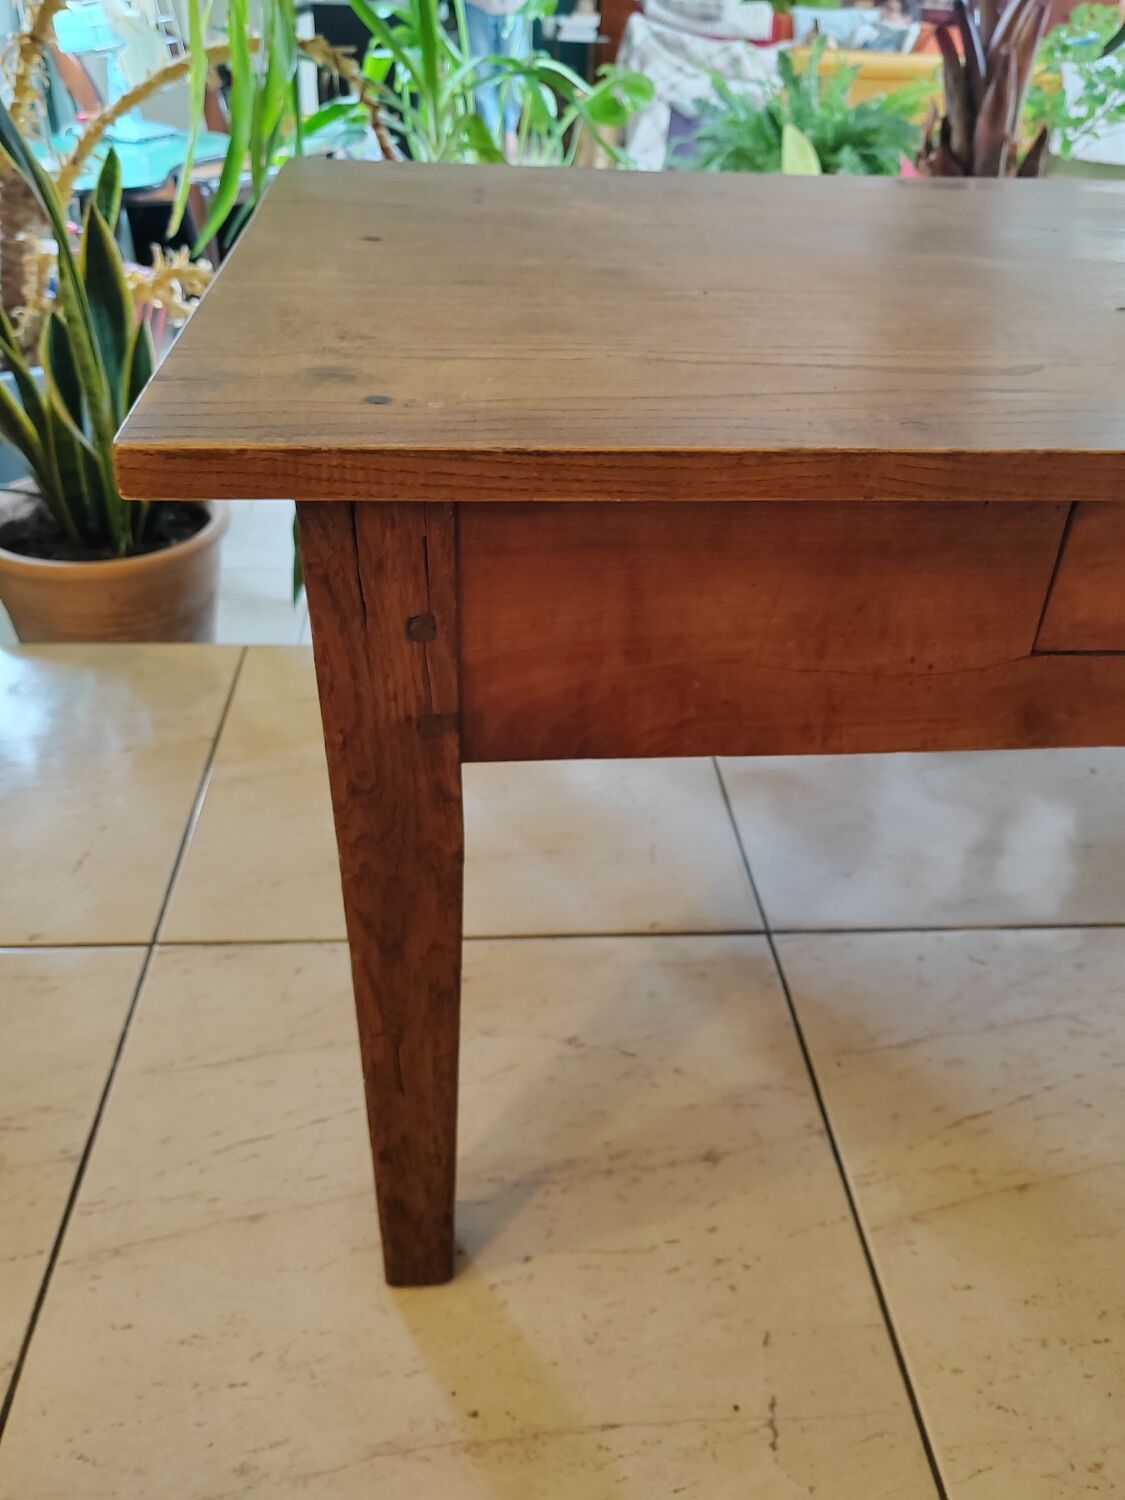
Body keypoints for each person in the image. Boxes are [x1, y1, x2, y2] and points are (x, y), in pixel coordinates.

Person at [463, 0, 531, 160]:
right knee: (481, 76)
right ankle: (491, 137)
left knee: (515, 76)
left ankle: (509, 131)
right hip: (476, 6)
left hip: (515, 6)